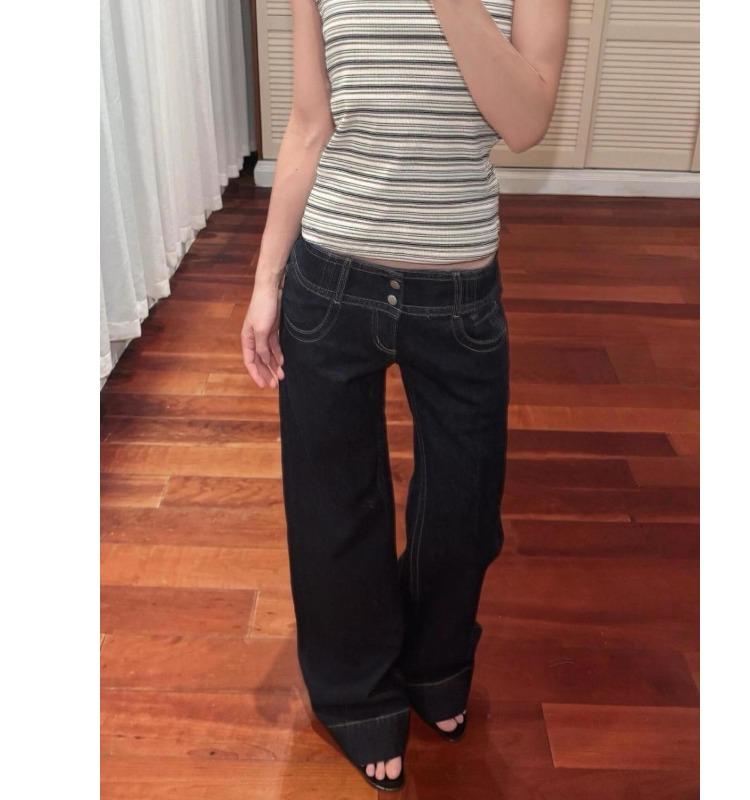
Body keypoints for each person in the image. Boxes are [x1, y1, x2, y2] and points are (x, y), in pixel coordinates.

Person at [241, 0, 569, 790]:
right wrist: (265, 281)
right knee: (334, 506)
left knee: (463, 508)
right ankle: (356, 691)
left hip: (458, 298)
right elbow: (309, 124)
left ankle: (435, 661)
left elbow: (525, 122)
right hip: (331, 283)